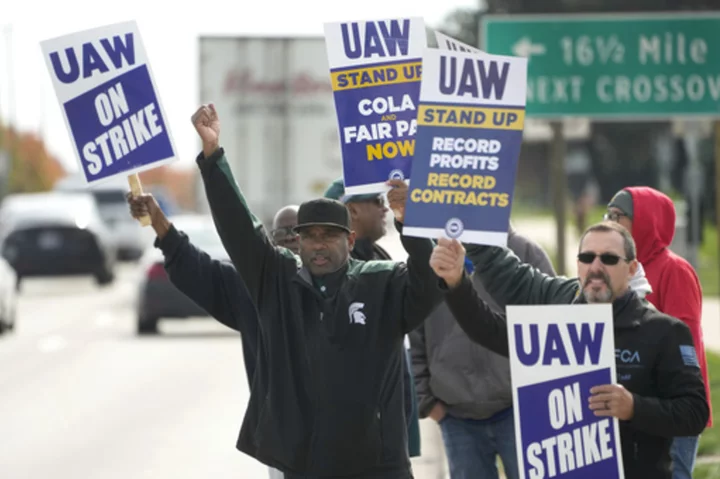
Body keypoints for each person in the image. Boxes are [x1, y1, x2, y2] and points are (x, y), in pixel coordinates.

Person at [190, 103, 442, 478]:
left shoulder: (381, 282)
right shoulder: (278, 281)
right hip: (304, 464)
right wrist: (213, 157)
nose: (318, 245)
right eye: (309, 237)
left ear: (350, 238)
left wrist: (412, 223)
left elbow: (429, 284)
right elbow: (241, 229)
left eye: (329, 236)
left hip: (377, 465)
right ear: (298, 240)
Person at [432, 222, 708, 479]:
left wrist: (634, 407)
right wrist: (456, 284)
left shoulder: (664, 331)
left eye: (609, 259)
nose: (596, 267)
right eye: (587, 258)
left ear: (633, 268)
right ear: (578, 265)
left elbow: (695, 413)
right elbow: (487, 330)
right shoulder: (557, 325)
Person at [126, 193, 297, 479]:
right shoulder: (250, 290)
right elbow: (194, 265)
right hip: (286, 444)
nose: (291, 238)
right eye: (282, 232)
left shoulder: (347, 285)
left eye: (299, 230)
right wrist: (158, 221)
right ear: (271, 243)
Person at [410, 223, 555, 479]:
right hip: (456, 415)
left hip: (520, 410)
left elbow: (551, 326)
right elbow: (414, 331)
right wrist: (428, 402)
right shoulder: (434, 257)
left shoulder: (525, 250)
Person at [606, 186, 711, 478]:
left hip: (669, 407)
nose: (610, 222)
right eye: (608, 214)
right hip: (634, 406)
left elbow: (682, 341)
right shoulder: (618, 269)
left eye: (619, 216)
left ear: (646, 222)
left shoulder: (674, 270)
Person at [324, 177, 421, 458]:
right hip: (358, 440)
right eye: (377, 201)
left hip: (389, 432)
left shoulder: (379, 255)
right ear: (352, 211)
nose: (385, 209)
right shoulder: (331, 270)